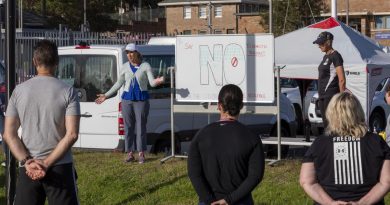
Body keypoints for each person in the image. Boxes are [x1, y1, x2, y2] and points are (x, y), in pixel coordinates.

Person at [3, 40, 81, 205]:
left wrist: (27, 161)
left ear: (34, 61)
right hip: (60, 165)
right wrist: (46, 163)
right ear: (57, 62)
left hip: (29, 167)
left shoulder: (19, 91)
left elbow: (9, 134)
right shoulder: (68, 91)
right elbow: (72, 134)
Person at [300, 92, 390, 205]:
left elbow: (307, 181)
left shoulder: (319, 144)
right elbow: (386, 181)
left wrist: (331, 203)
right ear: (358, 112)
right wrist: (362, 203)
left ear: (331, 114)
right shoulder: (377, 142)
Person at [188, 84, 265, 205]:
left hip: (208, 201)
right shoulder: (251, 137)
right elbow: (255, 176)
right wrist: (229, 200)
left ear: (219, 106)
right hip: (240, 200)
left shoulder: (200, 136)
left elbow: (194, 174)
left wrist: (209, 200)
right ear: (241, 106)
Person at [95, 43, 164, 163]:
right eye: (127, 53)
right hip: (127, 100)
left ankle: (141, 153)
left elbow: (152, 83)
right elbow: (118, 83)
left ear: (137, 53)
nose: (129, 55)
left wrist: (159, 81)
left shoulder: (145, 66)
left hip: (141, 100)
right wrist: (106, 95)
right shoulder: (125, 66)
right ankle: (130, 153)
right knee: (128, 127)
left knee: (141, 127)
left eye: (131, 52)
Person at [313, 31, 346, 129]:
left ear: (329, 42)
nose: (319, 45)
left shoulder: (336, 56)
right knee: (326, 125)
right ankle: (329, 142)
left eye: (321, 43)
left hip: (331, 95)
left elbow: (342, 79)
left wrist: (341, 98)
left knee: (332, 125)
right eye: (318, 43)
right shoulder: (325, 56)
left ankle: (334, 143)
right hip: (322, 95)